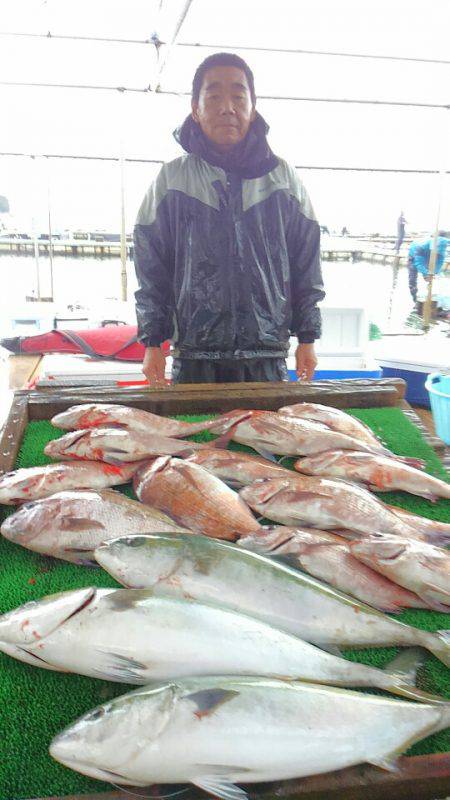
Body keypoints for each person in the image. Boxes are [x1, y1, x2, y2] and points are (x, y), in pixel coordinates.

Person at [134, 52, 325, 385]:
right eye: (214, 96)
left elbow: (305, 263)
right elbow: (151, 268)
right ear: (195, 107)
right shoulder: (171, 180)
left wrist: (307, 338)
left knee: (268, 436)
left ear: (253, 107)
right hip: (193, 358)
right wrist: (153, 342)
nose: (228, 107)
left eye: (238, 96)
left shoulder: (284, 181)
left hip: (266, 357)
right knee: (192, 435)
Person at [407, 231, 449, 302]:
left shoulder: (442, 246)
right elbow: (419, 263)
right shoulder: (420, 246)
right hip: (414, 258)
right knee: (412, 279)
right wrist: (427, 273)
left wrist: (434, 272)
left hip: (428, 256)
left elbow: (440, 261)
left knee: (429, 276)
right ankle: (414, 298)